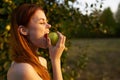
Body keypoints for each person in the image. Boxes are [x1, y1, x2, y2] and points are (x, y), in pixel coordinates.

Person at [7, 3, 66, 80]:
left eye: (46, 22)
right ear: (24, 30)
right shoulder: (24, 69)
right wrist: (56, 60)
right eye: (42, 22)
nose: (49, 26)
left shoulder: (41, 61)